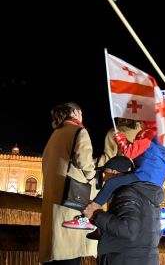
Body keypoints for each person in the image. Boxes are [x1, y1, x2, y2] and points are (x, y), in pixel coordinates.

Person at [63, 120, 165, 229]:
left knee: (112, 183)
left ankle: (89, 215)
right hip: (154, 179)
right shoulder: (160, 138)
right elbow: (143, 150)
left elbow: (129, 152)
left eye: (143, 120)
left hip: (144, 175)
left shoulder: (148, 134)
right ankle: (100, 225)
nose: (140, 123)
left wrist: (119, 138)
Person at [39, 102, 98, 264]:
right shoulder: (79, 131)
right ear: (75, 112)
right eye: (81, 113)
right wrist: (94, 176)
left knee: (56, 248)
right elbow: (85, 163)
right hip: (71, 201)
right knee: (70, 250)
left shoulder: (55, 135)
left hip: (54, 200)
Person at [84, 156, 165, 265]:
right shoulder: (143, 193)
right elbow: (139, 231)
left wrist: (96, 214)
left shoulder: (128, 193)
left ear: (114, 173)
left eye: (105, 173)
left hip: (127, 259)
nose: (104, 179)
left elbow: (128, 229)